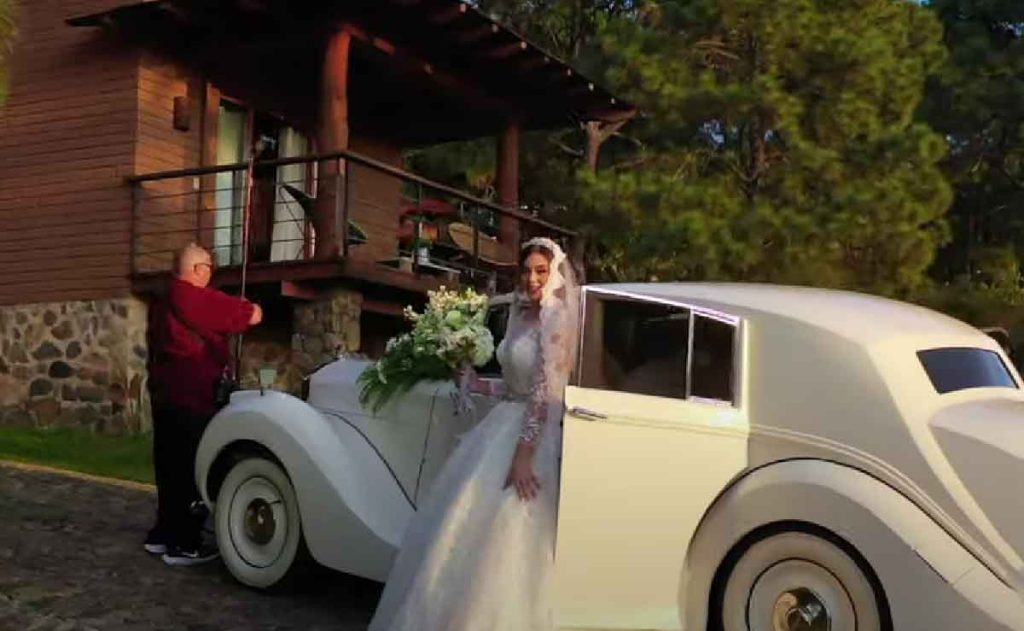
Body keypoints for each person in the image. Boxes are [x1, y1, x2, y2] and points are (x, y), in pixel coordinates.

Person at [368, 237, 580, 631]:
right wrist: (476, 383)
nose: (532, 279)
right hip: (504, 423)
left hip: (532, 439)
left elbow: (543, 393)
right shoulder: (521, 315)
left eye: (541, 271)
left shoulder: (556, 319)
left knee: (512, 536)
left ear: (554, 275)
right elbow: (515, 387)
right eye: (527, 270)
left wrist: (523, 457)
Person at [144, 243, 262, 566]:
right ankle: (183, 543)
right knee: (192, 469)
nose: (211, 272)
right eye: (209, 266)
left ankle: (163, 534)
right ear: (197, 270)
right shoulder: (188, 295)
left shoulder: (162, 298)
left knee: (168, 468)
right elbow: (234, 313)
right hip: (190, 397)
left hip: (165, 396)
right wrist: (251, 311)